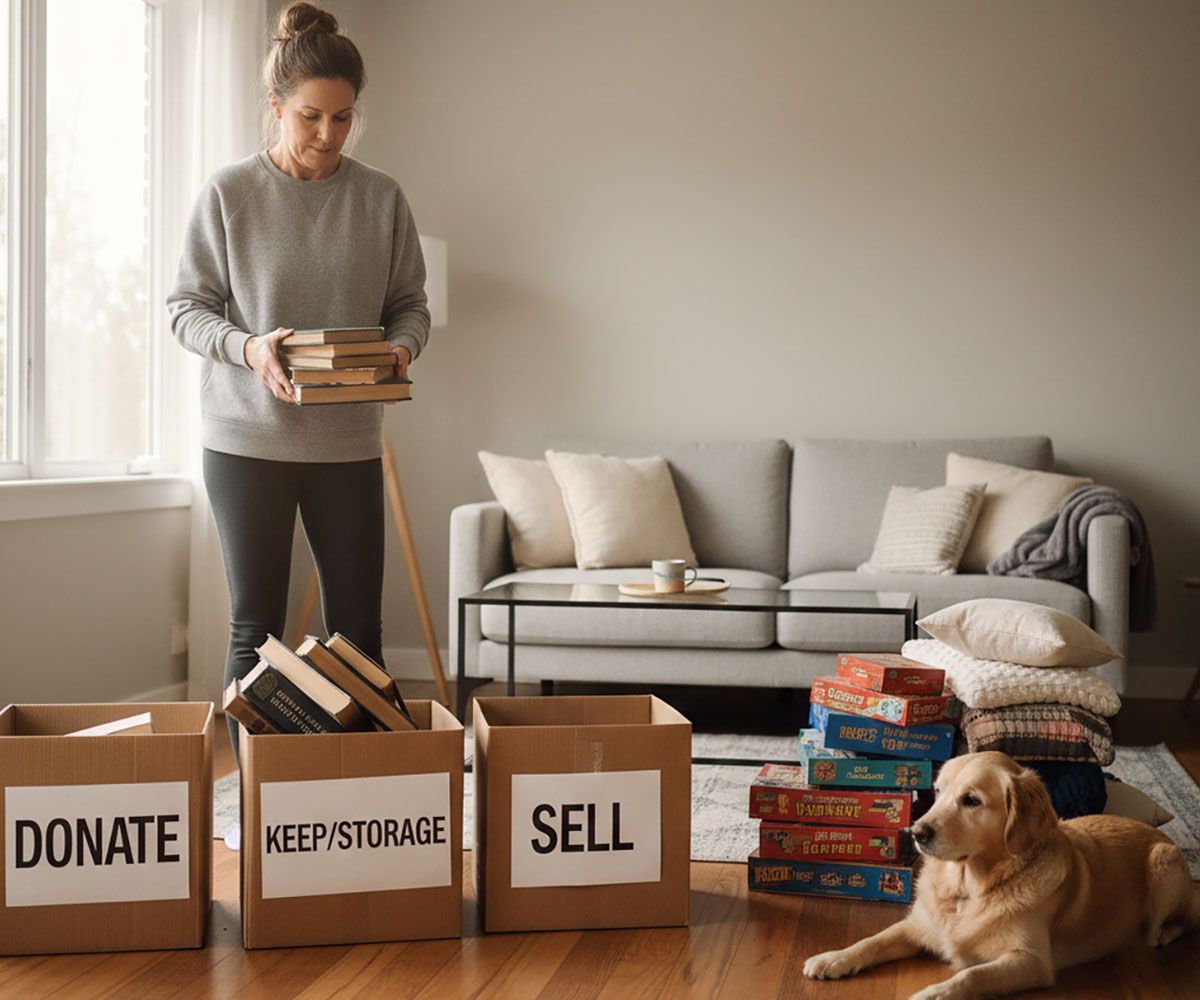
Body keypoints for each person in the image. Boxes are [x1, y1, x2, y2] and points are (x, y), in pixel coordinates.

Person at [166, 1, 430, 761]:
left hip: (348, 442)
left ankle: (364, 790)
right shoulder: (228, 194)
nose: (327, 134)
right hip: (245, 441)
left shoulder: (381, 198)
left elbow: (410, 305)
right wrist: (249, 348)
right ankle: (252, 798)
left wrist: (403, 348)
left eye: (343, 118)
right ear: (275, 106)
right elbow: (186, 309)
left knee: (359, 632)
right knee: (256, 628)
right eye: (311, 116)